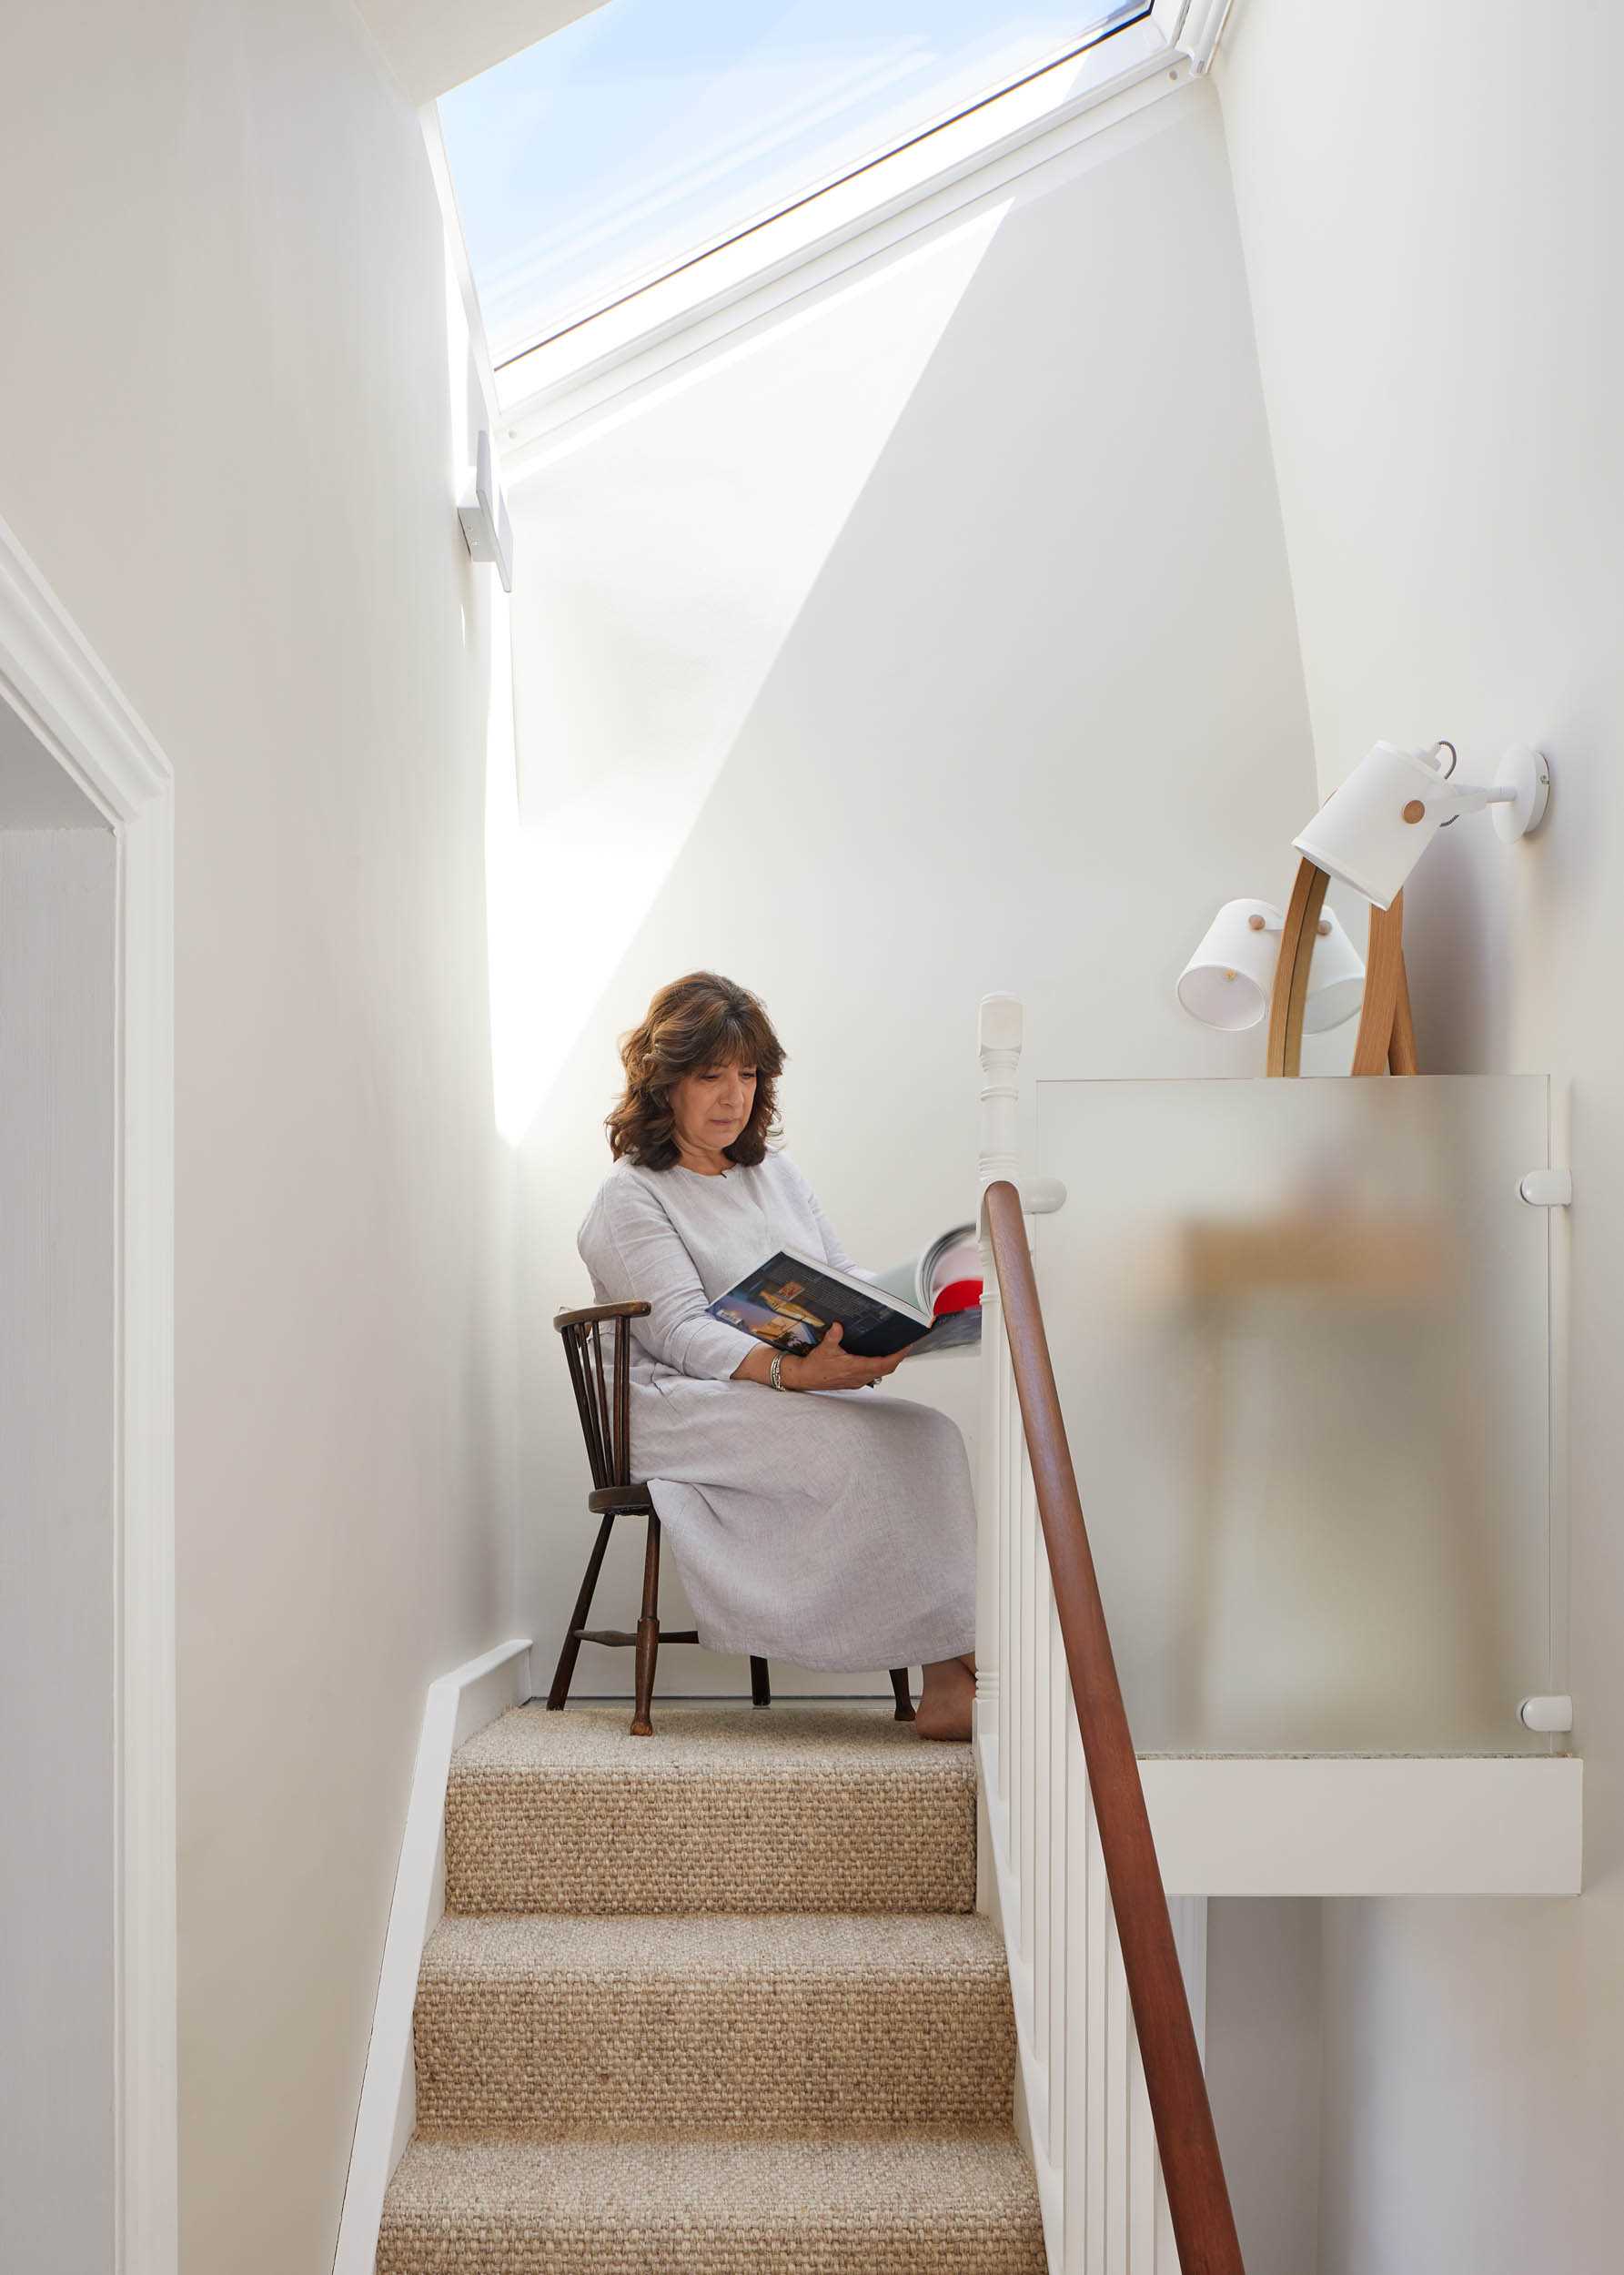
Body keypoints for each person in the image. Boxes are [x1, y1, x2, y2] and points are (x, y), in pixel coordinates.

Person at [576, 971, 978, 1741]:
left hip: (770, 1387)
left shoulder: (773, 1173)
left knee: (928, 1433)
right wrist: (795, 1373)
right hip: (676, 1404)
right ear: (663, 1083)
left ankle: (947, 1671)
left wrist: (902, 1318)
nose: (733, 1097)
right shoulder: (631, 1196)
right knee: (860, 1439)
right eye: (709, 1076)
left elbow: (838, 1270)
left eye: (748, 1074)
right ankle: (960, 1669)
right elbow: (681, 1333)